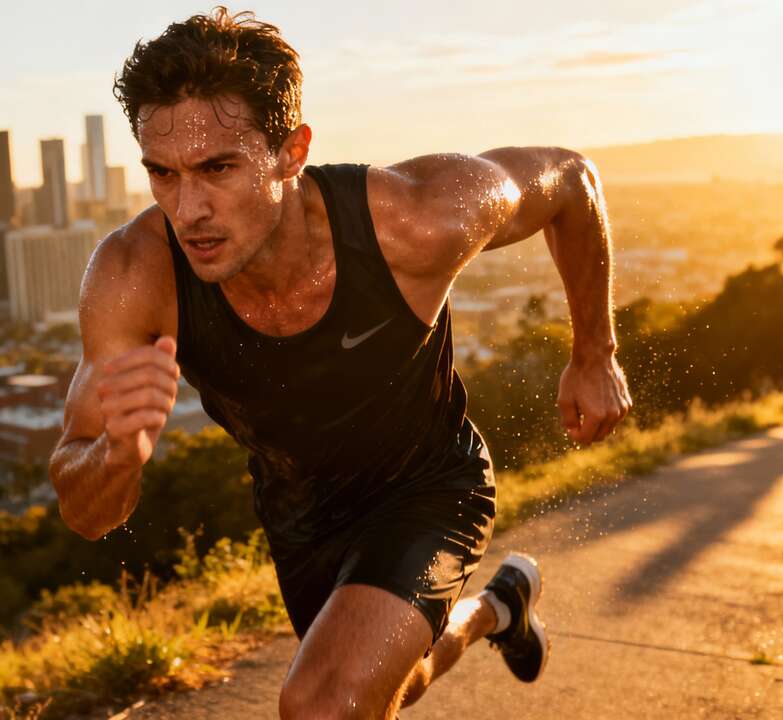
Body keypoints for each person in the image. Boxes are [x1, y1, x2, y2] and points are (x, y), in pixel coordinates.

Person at [49, 8, 633, 718]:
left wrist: (595, 353)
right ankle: (496, 610)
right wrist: (116, 454)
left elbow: (571, 179)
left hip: (428, 481)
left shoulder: (415, 222)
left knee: (326, 702)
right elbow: (85, 514)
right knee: (394, 687)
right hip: (300, 512)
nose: (189, 208)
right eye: (162, 174)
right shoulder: (134, 276)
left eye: (218, 168)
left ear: (291, 152)